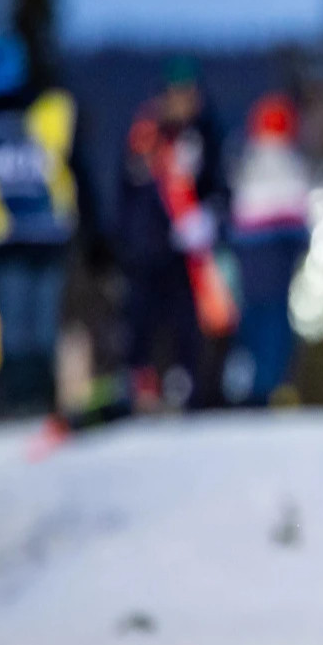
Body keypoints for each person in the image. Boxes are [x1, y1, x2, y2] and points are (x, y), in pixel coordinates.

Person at [0, 32, 92, 413]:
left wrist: (90, 227)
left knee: (41, 330)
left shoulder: (48, 114)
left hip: (48, 236)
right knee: (14, 330)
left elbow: (74, 170)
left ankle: (40, 402)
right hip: (5, 241)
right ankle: (15, 402)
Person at [116, 55, 228, 409]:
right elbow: (129, 189)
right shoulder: (145, 133)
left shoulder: (207, 133)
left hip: (189, 250)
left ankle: (189, 384)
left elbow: (218, 184)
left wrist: (209, 216)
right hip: (147, 246)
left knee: (188, 320)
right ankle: (141, 384)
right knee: (142, 317)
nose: (183, 100)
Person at [230, 93, 311, 406]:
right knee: (276, 317)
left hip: (251, 250)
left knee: (254, 315)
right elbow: (299, 211)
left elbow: (237, 211)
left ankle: (252, 384)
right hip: (278, 249)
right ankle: (272, 382)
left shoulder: (246, 160)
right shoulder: (290, 162)